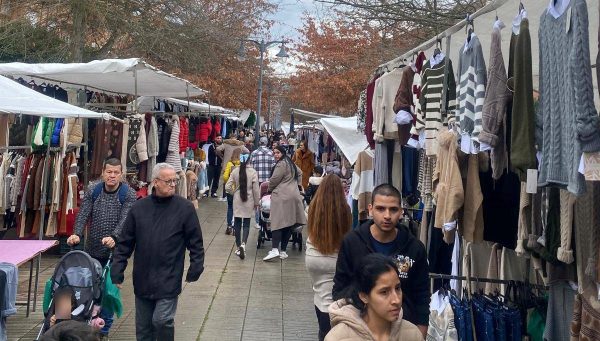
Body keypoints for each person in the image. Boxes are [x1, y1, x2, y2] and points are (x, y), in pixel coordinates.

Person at [111, 163, 205, 341]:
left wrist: (196, 265)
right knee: (144, 329)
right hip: (143, 277)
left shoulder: (185, 208)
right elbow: (125, 243)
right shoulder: (139, 208)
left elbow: (195, 242)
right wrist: (117, 270)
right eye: (168, 181)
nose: (173, 184)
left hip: (169, 276)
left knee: (162, 320)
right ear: (155, 182)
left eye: (175, 181)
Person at [332, 184, 429, 337]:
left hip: (403, 329)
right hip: (360, 329)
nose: (387, 216)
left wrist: (421, 331)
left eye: (393, 209)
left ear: (401, 212)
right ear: (370, 209)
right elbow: (340, 288)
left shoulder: (415, 248)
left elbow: (422, 295)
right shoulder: (352, 242)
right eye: (380, 208)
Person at [67, 157, 136, 338]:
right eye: (109, 172)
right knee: (87, 288)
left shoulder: (128, 194)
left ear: (121, 175)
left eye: (116, 173)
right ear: (103, 173)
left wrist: (115, 237)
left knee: (108, 292)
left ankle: (103, 330)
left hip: (116, 253)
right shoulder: (94, 190)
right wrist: (77, 233)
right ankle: (84, 323)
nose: (112, 176)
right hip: (92, 251)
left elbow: (125, 220)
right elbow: (83, 213)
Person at [326, 254, 423, 341]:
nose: (396, 300)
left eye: (397, 288)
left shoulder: (412, 334)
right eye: (384, 292)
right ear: (364, 296)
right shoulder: (338, 337)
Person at [305, 174, 352, 341]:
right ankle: (327, 332)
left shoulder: (313, 206)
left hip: (314, 257)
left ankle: (323, 331)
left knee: (319, 294)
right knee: (332, 298)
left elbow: (309, 228)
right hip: (335, 258)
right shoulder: (345, 210)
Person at [264, 145, 307, 261]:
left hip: (282, 196)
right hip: (293, 196)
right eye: (274, 153)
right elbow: (300, 172)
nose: (276, 155)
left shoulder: (281, 164)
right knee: (288, 224)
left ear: (283, 153)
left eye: (278, 152)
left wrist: (269, 189)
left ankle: (274, 250)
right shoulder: (290, 163)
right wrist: (297, 185)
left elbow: (274, 179)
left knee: (277, 223)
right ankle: (283, 251)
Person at [225, 153, 260, 259]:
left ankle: (238, 245)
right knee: (246, 224)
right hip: (249, 200)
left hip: (237, 199)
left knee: (237, 223)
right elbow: (256, 189)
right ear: (249, 160)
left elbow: (227, 186)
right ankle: (244, 244)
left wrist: (234, 192)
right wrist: (257, 202)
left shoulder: (235, 171)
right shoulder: (253, 172)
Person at [250, 136, 276, 229]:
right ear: (267, 142)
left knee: (257, 200)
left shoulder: (254, 153)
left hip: (256, 180)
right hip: (268, 181)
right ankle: (267, 218)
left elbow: (251, 167)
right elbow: (274, 168)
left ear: (260, 142)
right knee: (267, 200)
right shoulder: (271, 153)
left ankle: (257, 221)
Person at [217, 136, 249, 201]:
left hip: (227, 164)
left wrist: (222, 156)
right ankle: (235, 195)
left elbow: (218, 149)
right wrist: (241, 157)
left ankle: (225, 196)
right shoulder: (240, 145)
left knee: (226, 180)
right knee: (235, 180)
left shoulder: (226, 144)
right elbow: (247, 151)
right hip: (237, 164)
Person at [222, 149, 241, 235]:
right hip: (239, 189)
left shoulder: (229, 164)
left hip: (230, 190)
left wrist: (228, 182)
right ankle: (235, 227)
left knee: (230, 207)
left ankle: (229, 225)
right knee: (237, 208)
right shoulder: (241, 164)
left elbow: (225, 177)